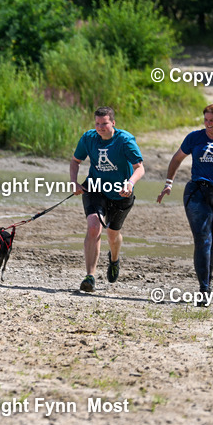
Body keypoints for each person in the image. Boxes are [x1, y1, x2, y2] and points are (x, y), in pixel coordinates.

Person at [156, 104, 213, 305]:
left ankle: (206, 276)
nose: (208, 124)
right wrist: (168, 184)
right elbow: (176, 159)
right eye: (206, 120)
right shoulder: (194, 138)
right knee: (203, 239)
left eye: (212, 121)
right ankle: (204, 289)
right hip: (197, 193)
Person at [70, 106, 145, 293]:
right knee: (94, 226)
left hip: (121, 193)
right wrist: (74, 183)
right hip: (95, 188)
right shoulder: (89, 138)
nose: (100, 127)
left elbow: (140, 168)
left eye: (104, 124)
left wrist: (130, 183)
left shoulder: (125, 140)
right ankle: (90, 276)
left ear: (113, 123)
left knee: (112, 234)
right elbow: (75, 161)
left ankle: (114, 259)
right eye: (97, 123)